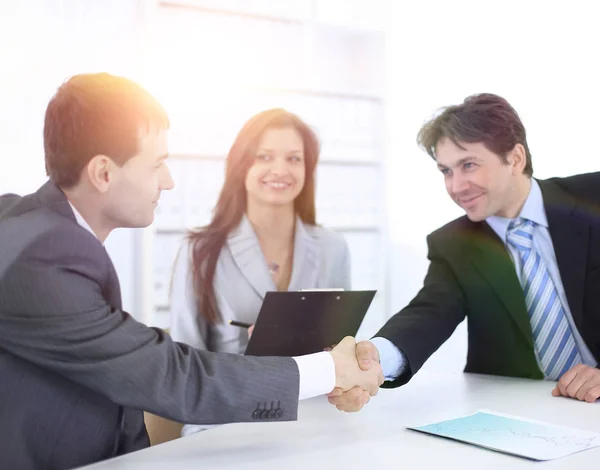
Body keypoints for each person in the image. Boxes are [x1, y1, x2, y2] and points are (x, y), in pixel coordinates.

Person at [0, 72, 383, 470]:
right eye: (157, 165)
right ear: (103, 173)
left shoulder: (34, 228)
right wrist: (329, 369)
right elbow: (169, 373)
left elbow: (124, 366)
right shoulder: (46, 254)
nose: (168, 182)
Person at [327, 93, 600, 412]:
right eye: (446, 171)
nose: (456, 186)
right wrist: (370, 358)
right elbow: (427, 315)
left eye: (468, 165)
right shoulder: (454, 243)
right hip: (517, 413)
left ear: (515, 158)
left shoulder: (592, 199)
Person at [169, 108, 351, 436]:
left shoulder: (333, 248)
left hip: (310, 419)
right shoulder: (199, 251)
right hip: (224, 421)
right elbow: (183, 367)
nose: (279, 169)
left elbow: (339, 350)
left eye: (294, 159)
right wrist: (257, 358)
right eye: (264, 156)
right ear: (243, 165)